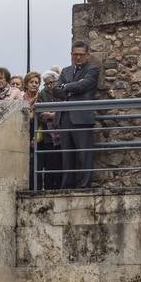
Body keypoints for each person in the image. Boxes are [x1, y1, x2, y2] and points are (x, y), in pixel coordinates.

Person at [52, 42, 100, 189]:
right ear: (71, 55)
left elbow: (85, 85)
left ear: (87, 55)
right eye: (75, 54)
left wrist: (65, 87)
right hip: (64, 117)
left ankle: (85, 185)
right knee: (67, 155)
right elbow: (55, 90)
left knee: (84, 154)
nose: (78, 57)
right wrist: (70, 87)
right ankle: (67, 185)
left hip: (82, 118)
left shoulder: (92, 69)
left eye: (81, 54)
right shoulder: (65, 71)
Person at [36, 71, 61, 191]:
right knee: (50, 164)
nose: (50, 86)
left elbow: (64, 110)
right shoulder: (42, 94)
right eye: (47, 84)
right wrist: (50, 115)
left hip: (62, 133)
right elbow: (40, 112)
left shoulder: (61, 92)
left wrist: (52, 115)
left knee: (60, 163)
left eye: (52, 83)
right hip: (48, 135)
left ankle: (60, 187)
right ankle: (50, 188)